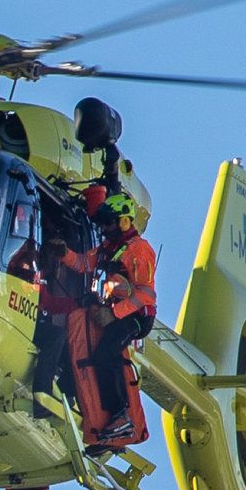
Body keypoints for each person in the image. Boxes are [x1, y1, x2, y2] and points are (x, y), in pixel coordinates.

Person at [77, 187, 159, 449]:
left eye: (109, 223)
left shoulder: (137, 250)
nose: (105, 229)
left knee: (106, 353)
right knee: (94, 353)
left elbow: (146, 295)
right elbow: (83, 264)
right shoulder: (107, 249)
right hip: (115, 313)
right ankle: (103, 415)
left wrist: (113, 314)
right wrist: (61, 255)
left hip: (136, 318)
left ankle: (121, 412)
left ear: (124, 221)